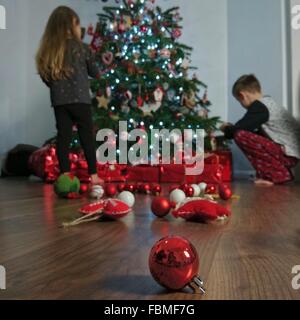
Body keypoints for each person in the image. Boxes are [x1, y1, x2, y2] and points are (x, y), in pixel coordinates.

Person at [36, 6, 103, 186]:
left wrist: (57, 86)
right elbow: (95, 72)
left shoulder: (49, 51)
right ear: (69, 26)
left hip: (60, 102)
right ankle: (94, 175)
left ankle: (65, 175)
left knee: (63, 138)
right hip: (81, 100)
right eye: (76, 24)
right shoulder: (82, 48)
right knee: (86, 138)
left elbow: (45, 76)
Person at [220, 74, 300, 185]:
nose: (242, 105)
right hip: (291, 153)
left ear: (242, 95)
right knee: (249, 134)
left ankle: (277, 174)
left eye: (239, 101)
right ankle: (276, 173)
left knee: (240, 135)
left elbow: (239, 130)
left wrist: (226, 128)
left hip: (289, 154)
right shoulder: (268, 103)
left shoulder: (260, 107)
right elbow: (253, 132)